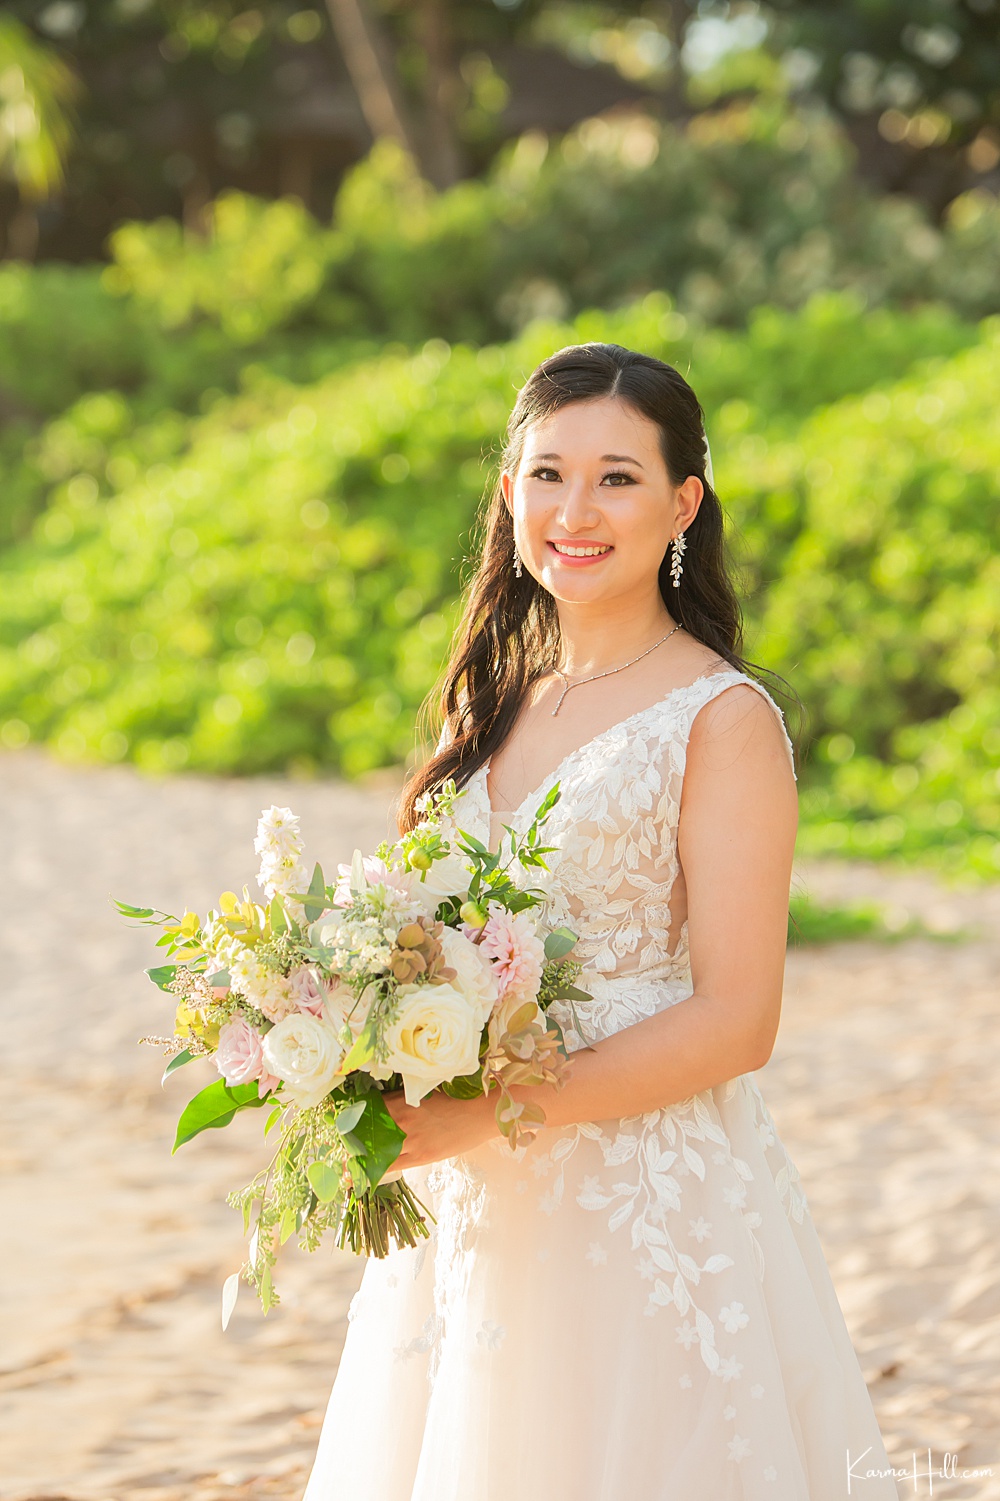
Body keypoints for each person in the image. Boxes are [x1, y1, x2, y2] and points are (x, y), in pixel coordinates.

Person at [303, 343, 900, 1499]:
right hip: (475, 1201)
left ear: (683, 503)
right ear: (511, 494)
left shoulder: (719, 720)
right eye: (546, 474)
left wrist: (491, 1110)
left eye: (618, 478)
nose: (575, 510)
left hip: (640, 1190)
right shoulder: (492, 702)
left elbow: (737, 1020)